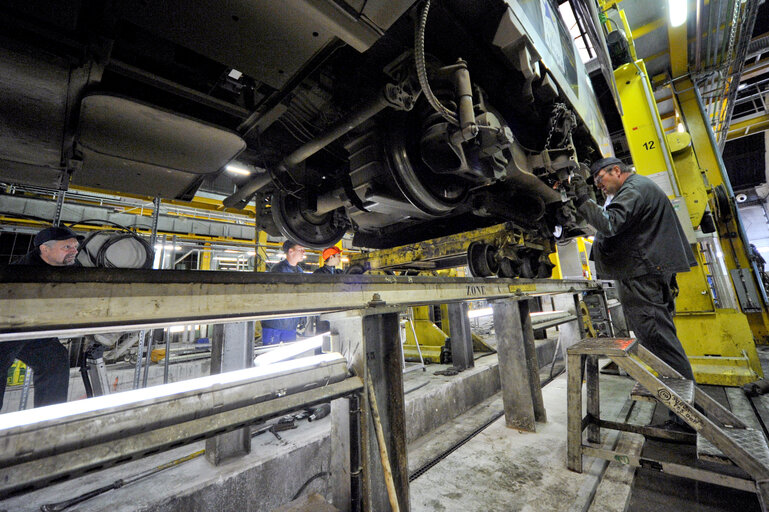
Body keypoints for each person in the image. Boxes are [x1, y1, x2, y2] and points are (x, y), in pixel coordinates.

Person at [571, 157, 697, 432]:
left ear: (616, 171)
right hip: (643, 273)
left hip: (642, 276)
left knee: (660, 342)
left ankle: (685, 417)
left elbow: (609, 223)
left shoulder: (634, 189)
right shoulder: (638, 188)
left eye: (599, 180)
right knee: (659, 341)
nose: (599, 187)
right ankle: (682, 409)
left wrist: (581, 197)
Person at [1, 226, 84, 411]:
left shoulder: (73, 267)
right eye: (67, 247)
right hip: (8, 329)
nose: (74, 251)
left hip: (35, 330)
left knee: (55, 359)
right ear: (44, 249)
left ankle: (49, 418)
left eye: (75, 246)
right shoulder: (22, 273)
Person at [261, 240, 306, 345]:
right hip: (274, 324)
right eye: (301, 250)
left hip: (290, 324)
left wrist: (303, 316)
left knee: (289, 356)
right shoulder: (278, 269)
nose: (304, 252)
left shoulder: (299, 271)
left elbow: (301, 295)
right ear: (291, 251)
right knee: (270, 355)